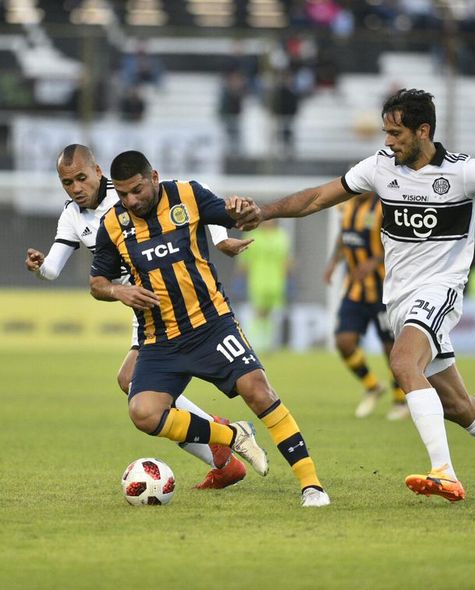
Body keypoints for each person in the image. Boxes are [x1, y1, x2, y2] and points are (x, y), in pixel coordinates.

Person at [228, 88, 475, 502]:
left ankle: (445, 474)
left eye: (396, 133)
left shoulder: (465, 172)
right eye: (385, 132)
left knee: (401, 361)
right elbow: (317, 198)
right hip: (398, 298)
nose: (388, 141)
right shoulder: (379, 168)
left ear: (423, 130)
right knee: (457, 405)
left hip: (440, 290)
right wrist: (265, 212)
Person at [89, 150, 329, 507]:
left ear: (153, 177)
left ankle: (311, 485)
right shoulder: (112, 224)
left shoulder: (188, 195)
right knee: (143, 412)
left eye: (137, 190)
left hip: (211, 326)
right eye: (123, 194)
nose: (131, 200)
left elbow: (236, 216)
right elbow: (98, 282)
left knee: (258, 391)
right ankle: (230, 434)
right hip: (160, 340)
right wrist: (117, 290)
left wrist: (242, 210)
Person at [25, 144, 252, 490]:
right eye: (67, 183)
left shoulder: (130, 190)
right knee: (132, 383)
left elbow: (188, 202)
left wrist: (220, 239)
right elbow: (54, 270)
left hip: (172, 300)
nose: (75, 188)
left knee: (136, 387)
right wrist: (41, 267)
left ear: (98, 171)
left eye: (81, 178)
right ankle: (221, 453)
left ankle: (219, 442)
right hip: (140, 305)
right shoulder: (71, 215)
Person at [323, 193, 408, 420]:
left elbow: (399, 244)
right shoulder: (347, 206)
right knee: (344, 342)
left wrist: (373, 261)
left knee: (391, 348)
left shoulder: (385, 207)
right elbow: (344, 236)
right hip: (355, 289)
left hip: (383, 290)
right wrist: (333, 262)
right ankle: (372, 386)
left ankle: (401, 400)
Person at [237, 219, 292, 352]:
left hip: (276, 281)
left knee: (272, 313)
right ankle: (255, 342)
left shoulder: (282, 235)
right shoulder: (252, 236)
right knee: (258, 312)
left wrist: (288, 275)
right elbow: (244, 261)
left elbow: (286, 259)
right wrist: (240, 279)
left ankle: (269, 343)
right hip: (258, 279)